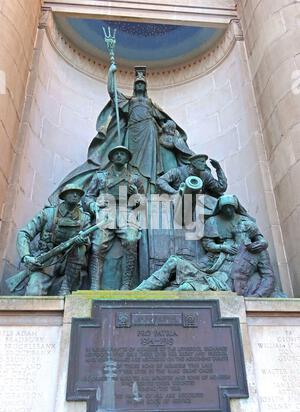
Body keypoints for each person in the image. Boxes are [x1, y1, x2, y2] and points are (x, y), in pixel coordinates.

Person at [48, 66, 192, 204]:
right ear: (135, 87)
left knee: (150, 168)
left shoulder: (149, 103)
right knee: (132, 165)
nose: (140, 86)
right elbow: (113, 93)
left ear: (145, 87)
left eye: (142, 84)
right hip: (132, 134)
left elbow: (165, 120)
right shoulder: (130, 102)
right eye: (138, 84)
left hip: (149, 135)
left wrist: (171, 130)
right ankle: (131, 196)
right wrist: (111, 73)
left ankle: (149, 195)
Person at [135, 195, 276, 297]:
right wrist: (221, 248)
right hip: (207, 275)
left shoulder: (257, 252)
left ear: (248, 231)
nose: (235, 226)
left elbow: (268, 277)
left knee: (185, 289)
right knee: (174, 261)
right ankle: (138, 293)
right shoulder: (227, 244)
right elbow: (207, 255)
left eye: (239, 227)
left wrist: (257, 298)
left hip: (224, 286)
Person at [83, 145, 145, 290]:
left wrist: (135, 193)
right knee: (97, 246)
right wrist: (93, 205)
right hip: (106, 212)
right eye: (116, 153)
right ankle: (94, 285)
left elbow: (142, 202)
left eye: (122, 154)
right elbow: (88, 196)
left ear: (127, 158)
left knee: (131, 240)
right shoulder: (100, 177)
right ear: (111, 157)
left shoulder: (134, 179)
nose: (119, 156)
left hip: (126, 211)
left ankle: (126, 284)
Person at [16, 184, 91, 296]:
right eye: (72, 192)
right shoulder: (48, 213)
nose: (75, 195)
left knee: (80, 247)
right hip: (47, 261)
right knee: (33, 293)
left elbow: (88, 242)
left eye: (78, 193)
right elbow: (24, 233)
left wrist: (84, 241)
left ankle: (66, 288)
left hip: (70, 264)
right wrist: (26, 256)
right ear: (64, 196)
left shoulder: (85, 218)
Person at [156, 154, 227, 198]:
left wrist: (218, 169)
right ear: (194, 163)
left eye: (205, 162)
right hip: (178, 202)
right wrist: (175, 192)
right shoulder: (178, 172)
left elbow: (221, 187)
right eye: (202, 162)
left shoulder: (205, 175)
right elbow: (160, 181)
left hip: (198, 204)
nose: (204, 164)